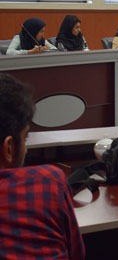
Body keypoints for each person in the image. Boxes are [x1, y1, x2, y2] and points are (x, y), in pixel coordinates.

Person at [0, 73, 85, 259]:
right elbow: (77, 253)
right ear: (9, 148)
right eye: (25, 138)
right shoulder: (48, 183)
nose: (26, 149)